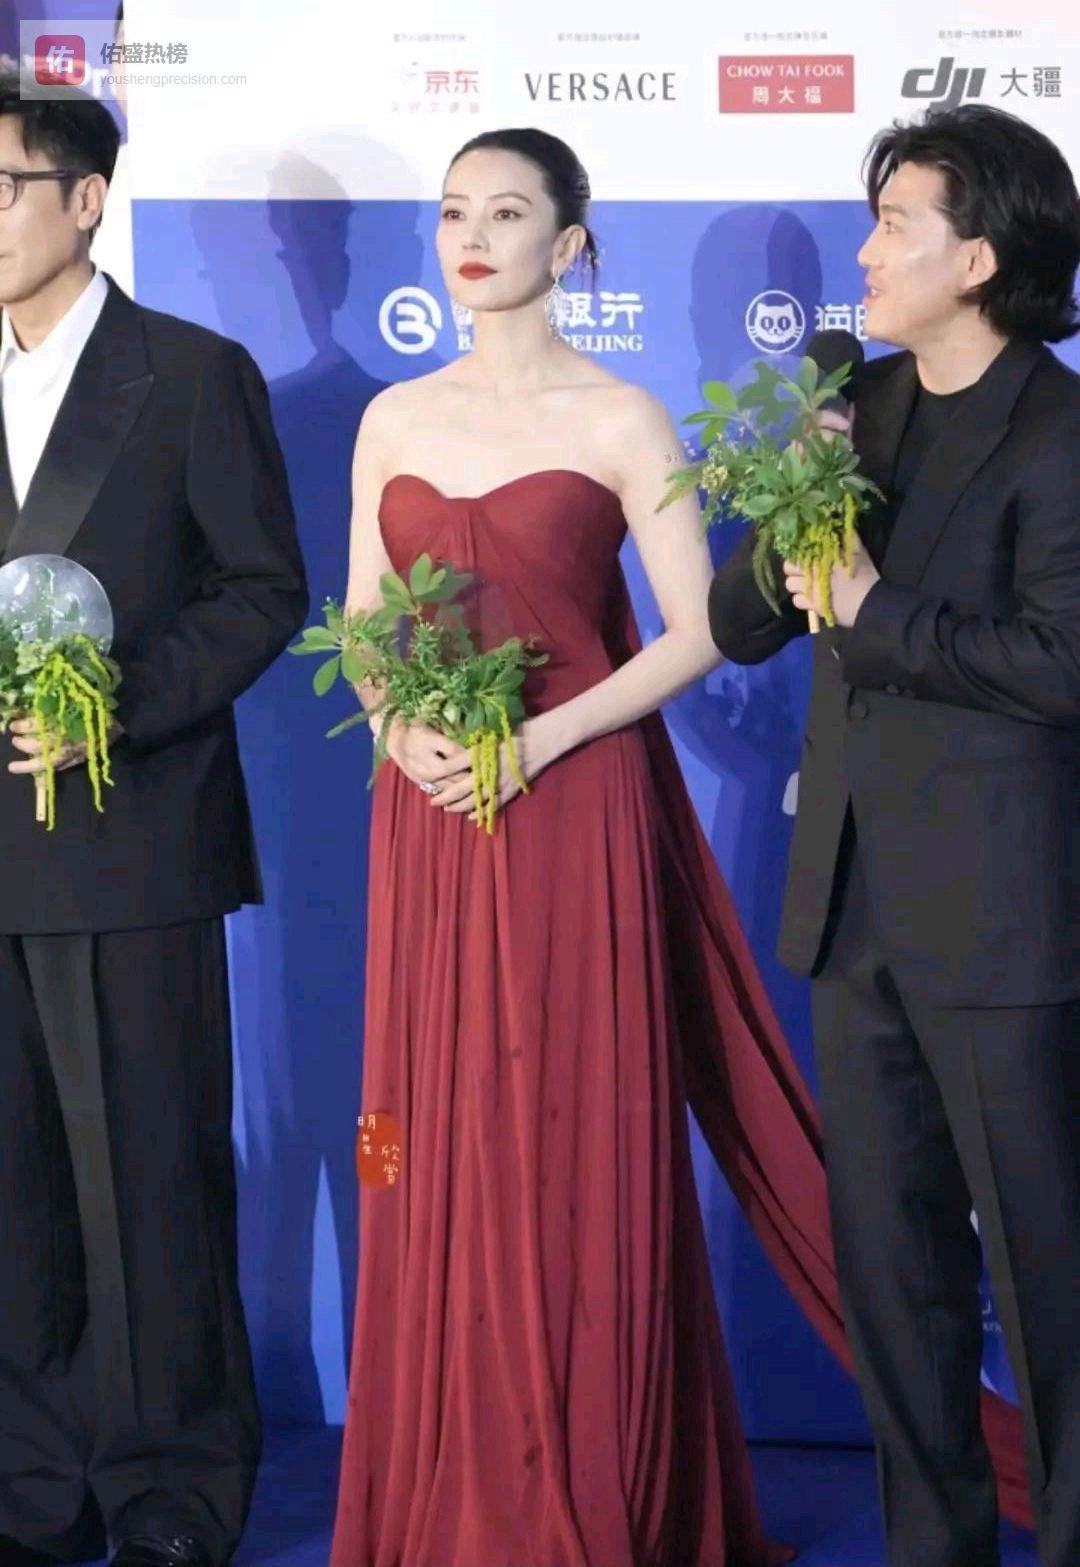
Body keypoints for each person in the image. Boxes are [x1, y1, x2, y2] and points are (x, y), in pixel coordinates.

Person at [328, 125, 819, 1567]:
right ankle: (445, 1483)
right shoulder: (392, 418)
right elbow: (361, 627)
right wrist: (397, 731)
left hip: (574, 806)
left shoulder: (624, 418)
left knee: (566, 1134)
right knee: (428, 1140)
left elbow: (699, 634)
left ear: (572, 241)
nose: (473, 239)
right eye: (453, 213)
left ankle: (593, 1486)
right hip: (430, 819)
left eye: (507, 212)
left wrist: (542, 742)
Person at [709, 103, 1080, 1567]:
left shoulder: (1062, 434)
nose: (863, 254)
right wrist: (788, 500)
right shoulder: (852, 402)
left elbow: (1063, 662)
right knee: (894, 1279)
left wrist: (877, 611)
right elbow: (743, 623)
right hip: (852, 913)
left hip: (1004, 925)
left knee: (1047, 1280)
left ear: (977, 259)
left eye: (895, 226)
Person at [0, 80, 308, 1567]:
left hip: (129, 841)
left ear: (85, 201)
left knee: (149, 1184)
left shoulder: (190, 373)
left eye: (4, 185)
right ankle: (33, 1489)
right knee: (14, 1193)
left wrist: (110, 710)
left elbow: (261, 590)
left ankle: (171, 1490)